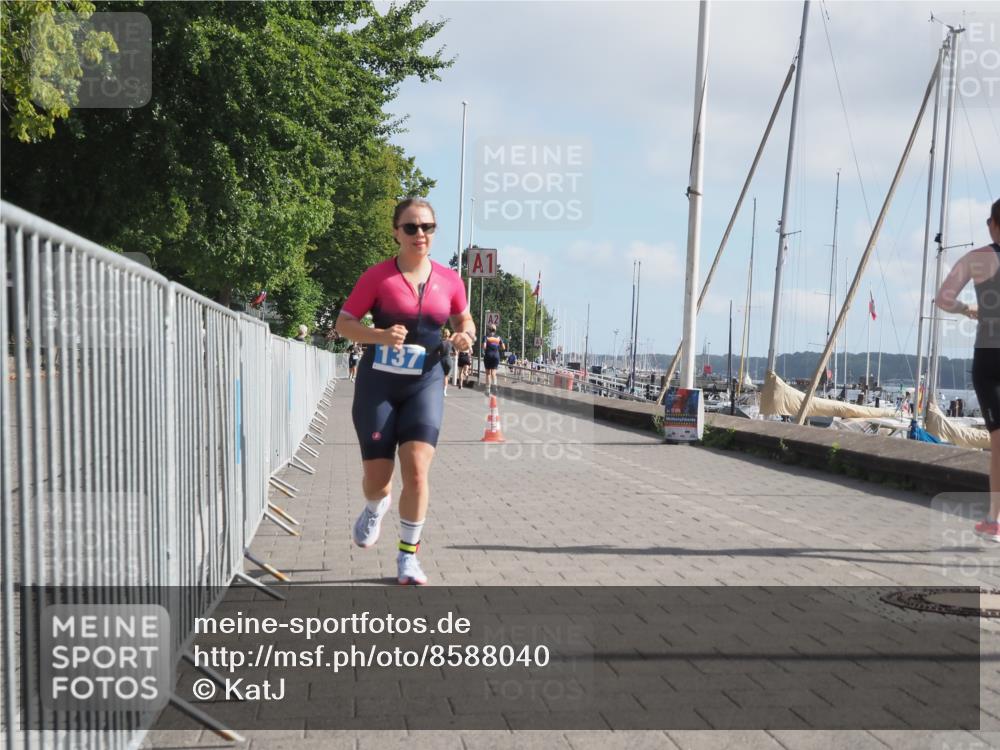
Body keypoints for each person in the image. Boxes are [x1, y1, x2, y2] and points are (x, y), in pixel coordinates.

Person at [335, 198, 475, 584]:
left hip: (426, 380)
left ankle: (408, 557)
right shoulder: (377, 277)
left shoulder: (449, 279)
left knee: (416, 471)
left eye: (427, 227)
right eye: (411, 227)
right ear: (396, 231)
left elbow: (464, 317)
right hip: (379, 383)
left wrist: (465, 335)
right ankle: (375, 508)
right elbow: (344, 324)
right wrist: (378, 335)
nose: (420, 235)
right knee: (378, 481)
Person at [935, 197, 1000, 542]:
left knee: (998, 442)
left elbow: (943, 298)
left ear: (992, 223)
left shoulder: (977, 259)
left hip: (989, 357)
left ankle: (994, 520)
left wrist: (967, 309)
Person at [481, 325, 506, 395]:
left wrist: (484, 347)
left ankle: (488, 390)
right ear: (495, 330)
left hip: (488, 355)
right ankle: (494, 387)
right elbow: (503, 347)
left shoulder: (486, 337)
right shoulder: (499, 337)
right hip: (496, 356)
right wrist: (497, 347)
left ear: (488, 330)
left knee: (488, 373)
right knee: (493, 373)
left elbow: (484, 346)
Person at [440, 329, 454, 396]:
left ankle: (438, 389)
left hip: (441, 360)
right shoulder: (451, 342)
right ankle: (444, 391)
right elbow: (456, 353)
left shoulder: (440, 342)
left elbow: (436, 351)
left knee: (440, 376)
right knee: (446, 376)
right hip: (448, 360)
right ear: (449, 334)